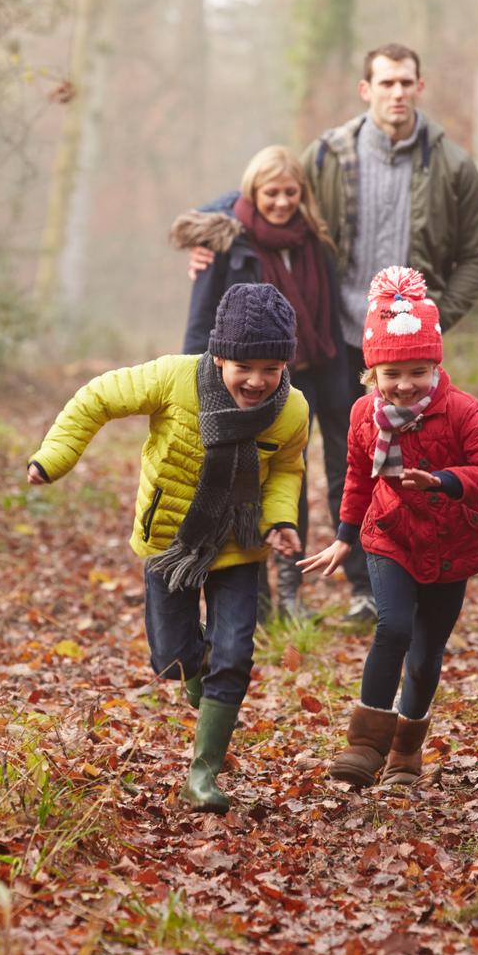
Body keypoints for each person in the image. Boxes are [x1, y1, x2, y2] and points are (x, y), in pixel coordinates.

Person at [190, 43, 478, 625]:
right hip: (330, 338)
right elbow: (264, 190)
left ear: (420, 86)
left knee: (382, 464)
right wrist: (208, 234)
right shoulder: (329, 155)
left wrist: (434, 318)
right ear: (367, 90)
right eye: (385, 83)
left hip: (404, 349)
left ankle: (374, 588)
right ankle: (291, 586)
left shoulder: (451, 164)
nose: (397, 93)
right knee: (301, 458)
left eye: (406, 82)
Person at [26, 283, 310, 813]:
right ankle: (205, 690)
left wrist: (279, 521)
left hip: (240, 547)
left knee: (235, 654)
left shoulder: (291, 410)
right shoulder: (173, 378)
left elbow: (286, 471)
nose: (257, 381)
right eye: (245, 366)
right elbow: (98, 398)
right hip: (170, 542)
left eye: (271, 368)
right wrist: (54, 457)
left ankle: (202, 776)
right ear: (219, 355)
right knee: (173, 659)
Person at [300, 267, 478, 788]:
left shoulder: (461, 412)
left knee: (424, 656)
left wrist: (445, 480)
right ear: (372, 374)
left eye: (418, 371)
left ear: (435, 366)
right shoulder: (362, 415)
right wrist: (344, 537)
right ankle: (365, 744)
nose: (404, 385)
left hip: (451, 546)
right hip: (389, 535)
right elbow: (356, 476)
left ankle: (405, 752)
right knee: (393, 627)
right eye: (391, 374)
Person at [171, 146, 356, 623]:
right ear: (253, 191)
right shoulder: (228, 242)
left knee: (293, 478)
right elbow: (200, 321)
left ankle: (291, 590)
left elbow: (328, 317)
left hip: (310, 375)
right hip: (246, 383)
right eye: (271, 193)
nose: (280, 202)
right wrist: (198, 383)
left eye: (290, 192)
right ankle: (255, 597)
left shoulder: (314, 242)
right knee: (249, 481)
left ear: (302, 194)